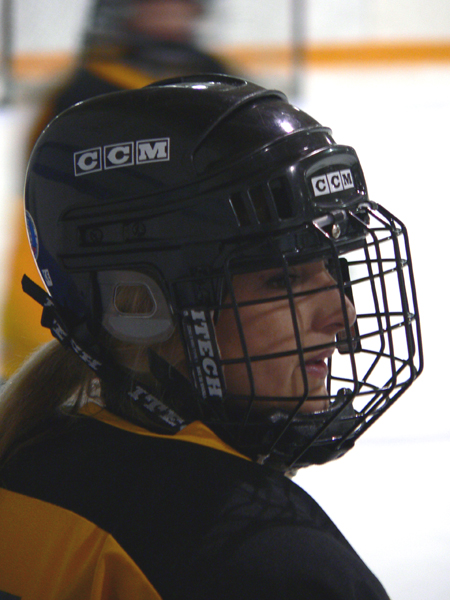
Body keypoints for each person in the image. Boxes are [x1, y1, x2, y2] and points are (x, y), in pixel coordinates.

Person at [0, 75, 423, 599]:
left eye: (331, 268)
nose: (344, 315)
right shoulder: (268, 561)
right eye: (283, 280)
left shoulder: (26, 462)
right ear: (141, 306)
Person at [0, 0, 232, 380]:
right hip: (112, 303)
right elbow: (46, 217)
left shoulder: (221, 81)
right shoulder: (82, 94)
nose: (170, 11)